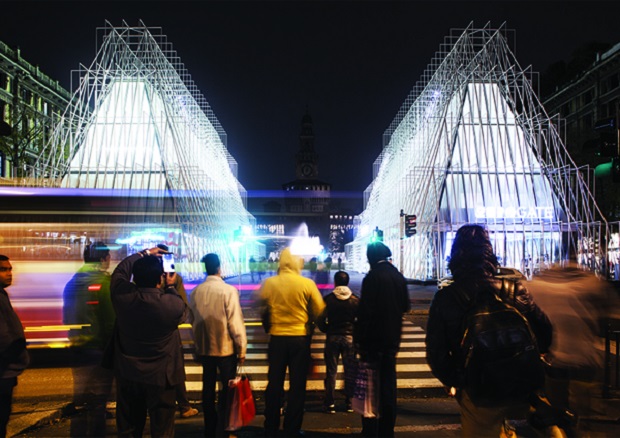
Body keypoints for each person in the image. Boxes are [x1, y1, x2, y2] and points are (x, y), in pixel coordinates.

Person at [425, 224, 553, 437]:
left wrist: (455, 381)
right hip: (521, 385)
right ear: (489, 254)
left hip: (479, 390)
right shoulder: (515, 291)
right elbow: (545, 332)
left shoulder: (447, 298)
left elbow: (436, 353)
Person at [110, 247, 188, 437]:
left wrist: (143, 253)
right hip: (162, 376)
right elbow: (183, 310)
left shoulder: (122, 296)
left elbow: (120, 271)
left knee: (129, 428)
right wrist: (170, 286)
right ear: (160, 278)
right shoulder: (171, 305)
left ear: (135, 277)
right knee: (162, 429)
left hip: (129, 373)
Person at [254, 247, 325, 437]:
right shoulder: (306, 283)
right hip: (299, 339)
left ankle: (271, 425)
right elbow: (319, 309)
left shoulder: (270, 283)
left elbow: (257, 302)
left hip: (277, 338)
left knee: (274, 384)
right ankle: (292, 427)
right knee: (297, 386)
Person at [354, 241, 410, 438]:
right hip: (392, 340)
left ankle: (370, 430)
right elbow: (405, 306)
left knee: (370, 388)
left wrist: (359, 339)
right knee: (388, 387)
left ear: (371, 258)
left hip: (372, 342)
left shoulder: (372, 277)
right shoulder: (398, 277)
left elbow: (365, 313)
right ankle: (388, 430)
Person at [190, 253, 247, 437]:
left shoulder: (196, 291)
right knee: (227, 391)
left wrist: (197, 345)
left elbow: (193, 322)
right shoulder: (228, 291)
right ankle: (226, 428)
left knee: (208, 390)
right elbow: (235, 322)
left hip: (205, 349)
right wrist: (242, 348)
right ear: (219, 267)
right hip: (225, 349)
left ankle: (209, 428)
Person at [62, 241, 115, 437]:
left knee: (81, 400)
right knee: (98, 402)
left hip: (77, 348)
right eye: (108, 257)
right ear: (103, 259)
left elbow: (67, 316)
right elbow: (110, 323)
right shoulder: (103, 283)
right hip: (99, 350)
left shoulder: (73, 282)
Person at [156, 244, 198, 420]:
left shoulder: (144, 278)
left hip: (151, 332)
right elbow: (182, 310)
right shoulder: (175, 280)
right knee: (175, 369)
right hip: (170, 333)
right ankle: (183, 405)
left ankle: (179, 405)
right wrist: (170, 287)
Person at [317, 270, 359, 414]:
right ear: (347, 282)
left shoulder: (328, 299)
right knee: (350, 371)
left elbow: (320, 318)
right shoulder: (355, 300)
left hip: (332, 337)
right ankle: (349, 402)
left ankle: (329, 403)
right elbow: (361, 320)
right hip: (349, 338)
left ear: (335, 282)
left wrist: (326, 329)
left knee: (331, 371)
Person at [0, 255, 29, 438]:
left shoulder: (2, 294)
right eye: (3, 270)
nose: (9, 274)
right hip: (3, 373)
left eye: (10, 269)